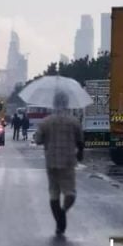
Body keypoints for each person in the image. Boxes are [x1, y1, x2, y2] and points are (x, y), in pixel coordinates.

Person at [34, 92, 84, 236]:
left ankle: (59, 222)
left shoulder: (46, 122)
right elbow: (80, 141)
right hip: (68, 162)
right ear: (67, 104)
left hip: (51, 162)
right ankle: (63, 212)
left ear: (54, 104)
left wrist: (47, 139)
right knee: (70, 193)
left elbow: (38, 140)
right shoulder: (74, 122)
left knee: (54, 193)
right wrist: (80, 153)